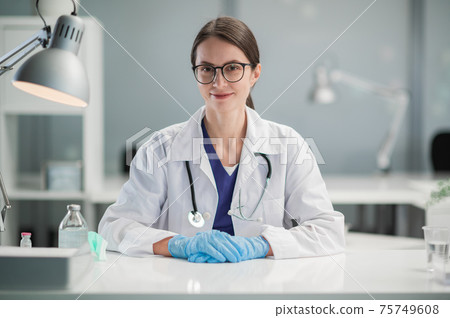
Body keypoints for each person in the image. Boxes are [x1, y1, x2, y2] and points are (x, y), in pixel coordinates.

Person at [99, 16, 345, 262]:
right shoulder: (160, 149)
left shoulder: (288, 147)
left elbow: (327, 231)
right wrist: (177, 245)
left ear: (255, 73)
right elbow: (114, 227)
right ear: (196, 73)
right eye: (206, 69)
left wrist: (261, 246)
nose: (218, 82)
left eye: (232, 68)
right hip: (182, 286)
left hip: (261, 287)